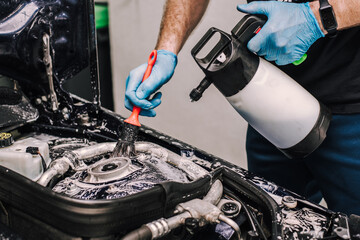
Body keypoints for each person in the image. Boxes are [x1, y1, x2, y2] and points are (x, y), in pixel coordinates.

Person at [124, 0, 360, 215]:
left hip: (353, 111)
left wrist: (318, 18)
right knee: (265, 218)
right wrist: (166, 50)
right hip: (269, 100)